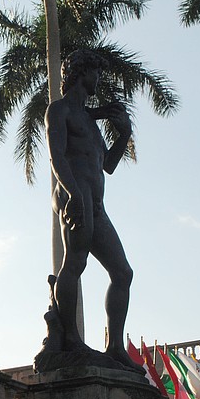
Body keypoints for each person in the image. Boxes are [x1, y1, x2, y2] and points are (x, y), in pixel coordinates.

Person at [45, 49, 141, 373]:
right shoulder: (59, 111)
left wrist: (124, 133)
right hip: (75, 194)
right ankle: (71, 337)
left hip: (96, 202)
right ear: (81, 72)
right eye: (95, 72)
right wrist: (73, 193)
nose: (98, 79)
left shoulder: (89, 121)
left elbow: (108, 165)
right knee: (75, 263)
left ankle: (115, 347)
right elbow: (57, 156)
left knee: (123, 272)